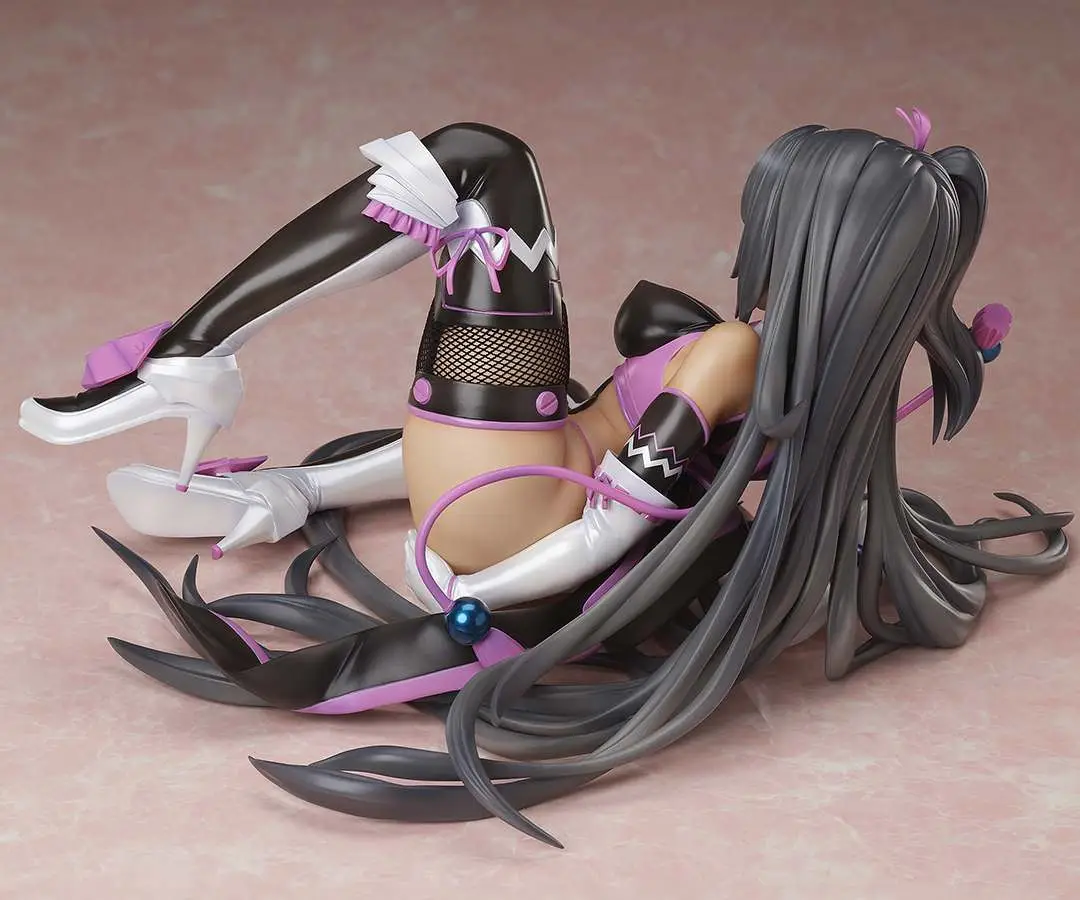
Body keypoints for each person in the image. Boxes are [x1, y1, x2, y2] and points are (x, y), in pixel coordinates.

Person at [18, 114, 1071, 847]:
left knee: (480, 168)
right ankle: (252, 440)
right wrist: (313, 491)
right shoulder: (760, 356)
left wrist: (490, 598)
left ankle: (192, 354)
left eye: (771, 211)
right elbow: (577, 447)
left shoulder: (734, 356)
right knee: (502, 261)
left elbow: (614, 524)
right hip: (518, 476)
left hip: (515, 517)